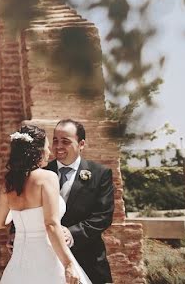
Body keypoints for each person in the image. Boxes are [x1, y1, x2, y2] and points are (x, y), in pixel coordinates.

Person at [0, 124, 91, 284]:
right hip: (48, 260)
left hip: (18, 264)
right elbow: (51, 224)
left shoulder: (9, 184)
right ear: (36, 151)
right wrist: (68, 264)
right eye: (46, 147)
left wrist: (19, 214)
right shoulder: (47, 178)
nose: (49, 152)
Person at [45, 119, 114, 284]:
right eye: (55, 140)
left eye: (65, 141)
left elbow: (103, 215)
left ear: (81, 144)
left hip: (89, 258)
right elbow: (27, 206)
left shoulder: (100, 174)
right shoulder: (42, 172)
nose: (58, 146)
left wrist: (71, 233)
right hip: (49, 258)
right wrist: (15, 232)